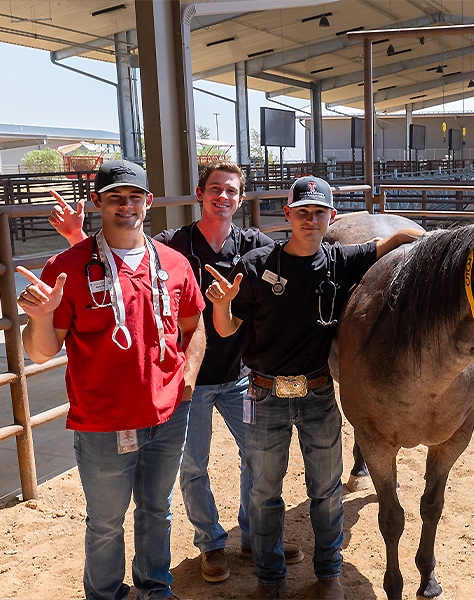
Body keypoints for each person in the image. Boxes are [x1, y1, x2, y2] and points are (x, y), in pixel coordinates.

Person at [48, 161, 304, 583]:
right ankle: (211, 543)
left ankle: (253, 533)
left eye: (232, 191)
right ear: (200, 194)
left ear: (241, 199)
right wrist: (78, 237)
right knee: (193, 465)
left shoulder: (255, 244)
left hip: (241, 372)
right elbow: (117, 262)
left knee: (257, 457)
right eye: (215, 189)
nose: (224, 197)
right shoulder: (175, 244)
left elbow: (293, 260)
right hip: (190, 381)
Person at [205, 175, 422, 600]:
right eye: (302, 211)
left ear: (331, 217)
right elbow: (228, 329)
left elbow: (393, 239)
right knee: (265, 493)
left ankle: (329, 575)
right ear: (287, 215)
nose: (310, 219)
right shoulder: (255, 265)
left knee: (326, 491)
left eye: (319, 212)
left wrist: (426, 238)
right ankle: (271, 579)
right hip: (265, 394)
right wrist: (221, 305)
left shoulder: (341, 261)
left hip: (318, 392)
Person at [17, 160, 207, 600]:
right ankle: (105, 595)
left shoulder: (175, 264)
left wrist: (189, 377)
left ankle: (154, 589)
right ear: (98, 203)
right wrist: (42, 318)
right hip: (103, 421)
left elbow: (194, 327)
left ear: (149, 202)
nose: (126, 205)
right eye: (115, 197)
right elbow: (42, 351)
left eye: (134, 196)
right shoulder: (69, 266)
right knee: (105, 522)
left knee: (157, 511)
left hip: (167, 415)